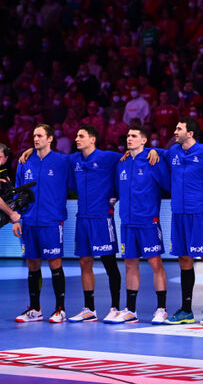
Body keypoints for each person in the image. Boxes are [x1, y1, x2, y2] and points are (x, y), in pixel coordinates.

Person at [162, 118, 203, 325]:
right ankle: (186, 310)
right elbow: (158, 155)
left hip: (199, 212)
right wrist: (152, 151)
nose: (175, 131)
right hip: (178, 213)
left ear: (190, 133)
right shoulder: (173, 151)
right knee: (184, 259)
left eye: (179, 129)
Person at [108, 126, 171, 324]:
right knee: (130, 264)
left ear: (144, 141)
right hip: (127, 222)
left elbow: (168, 185)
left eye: (134, 136)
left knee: (155, 263)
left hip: (148, 221)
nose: (129, 138)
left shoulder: (153, 160)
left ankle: (161, 308)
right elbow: (118, 190)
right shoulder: (122, 163)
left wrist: (157, 151)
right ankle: (131, 310)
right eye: (128, 135)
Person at [14, 124, 71, 323]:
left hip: (51, 221)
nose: (35, 139)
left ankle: (60, 310)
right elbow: (19, 193)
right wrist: (17, 218)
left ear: (50, 139)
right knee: (32, 265)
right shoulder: (24, 162)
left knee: (55, 264)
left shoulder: (63, 161)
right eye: (34, 136)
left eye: (40, 135)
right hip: (29, 221)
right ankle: (35, 309)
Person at [66, 126, 123, 323]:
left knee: (109, 263)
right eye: (76, 135)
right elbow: (52, 159)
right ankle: (89, 309)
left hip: (102, 217)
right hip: (82, 217)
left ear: (92, 139)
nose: (76, 139)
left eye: (81, 136)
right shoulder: (73, 160)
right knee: (84, 263)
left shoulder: (109, 157)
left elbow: (130, 160)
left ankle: (115, 307)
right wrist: (31, 151)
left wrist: (117, 193)